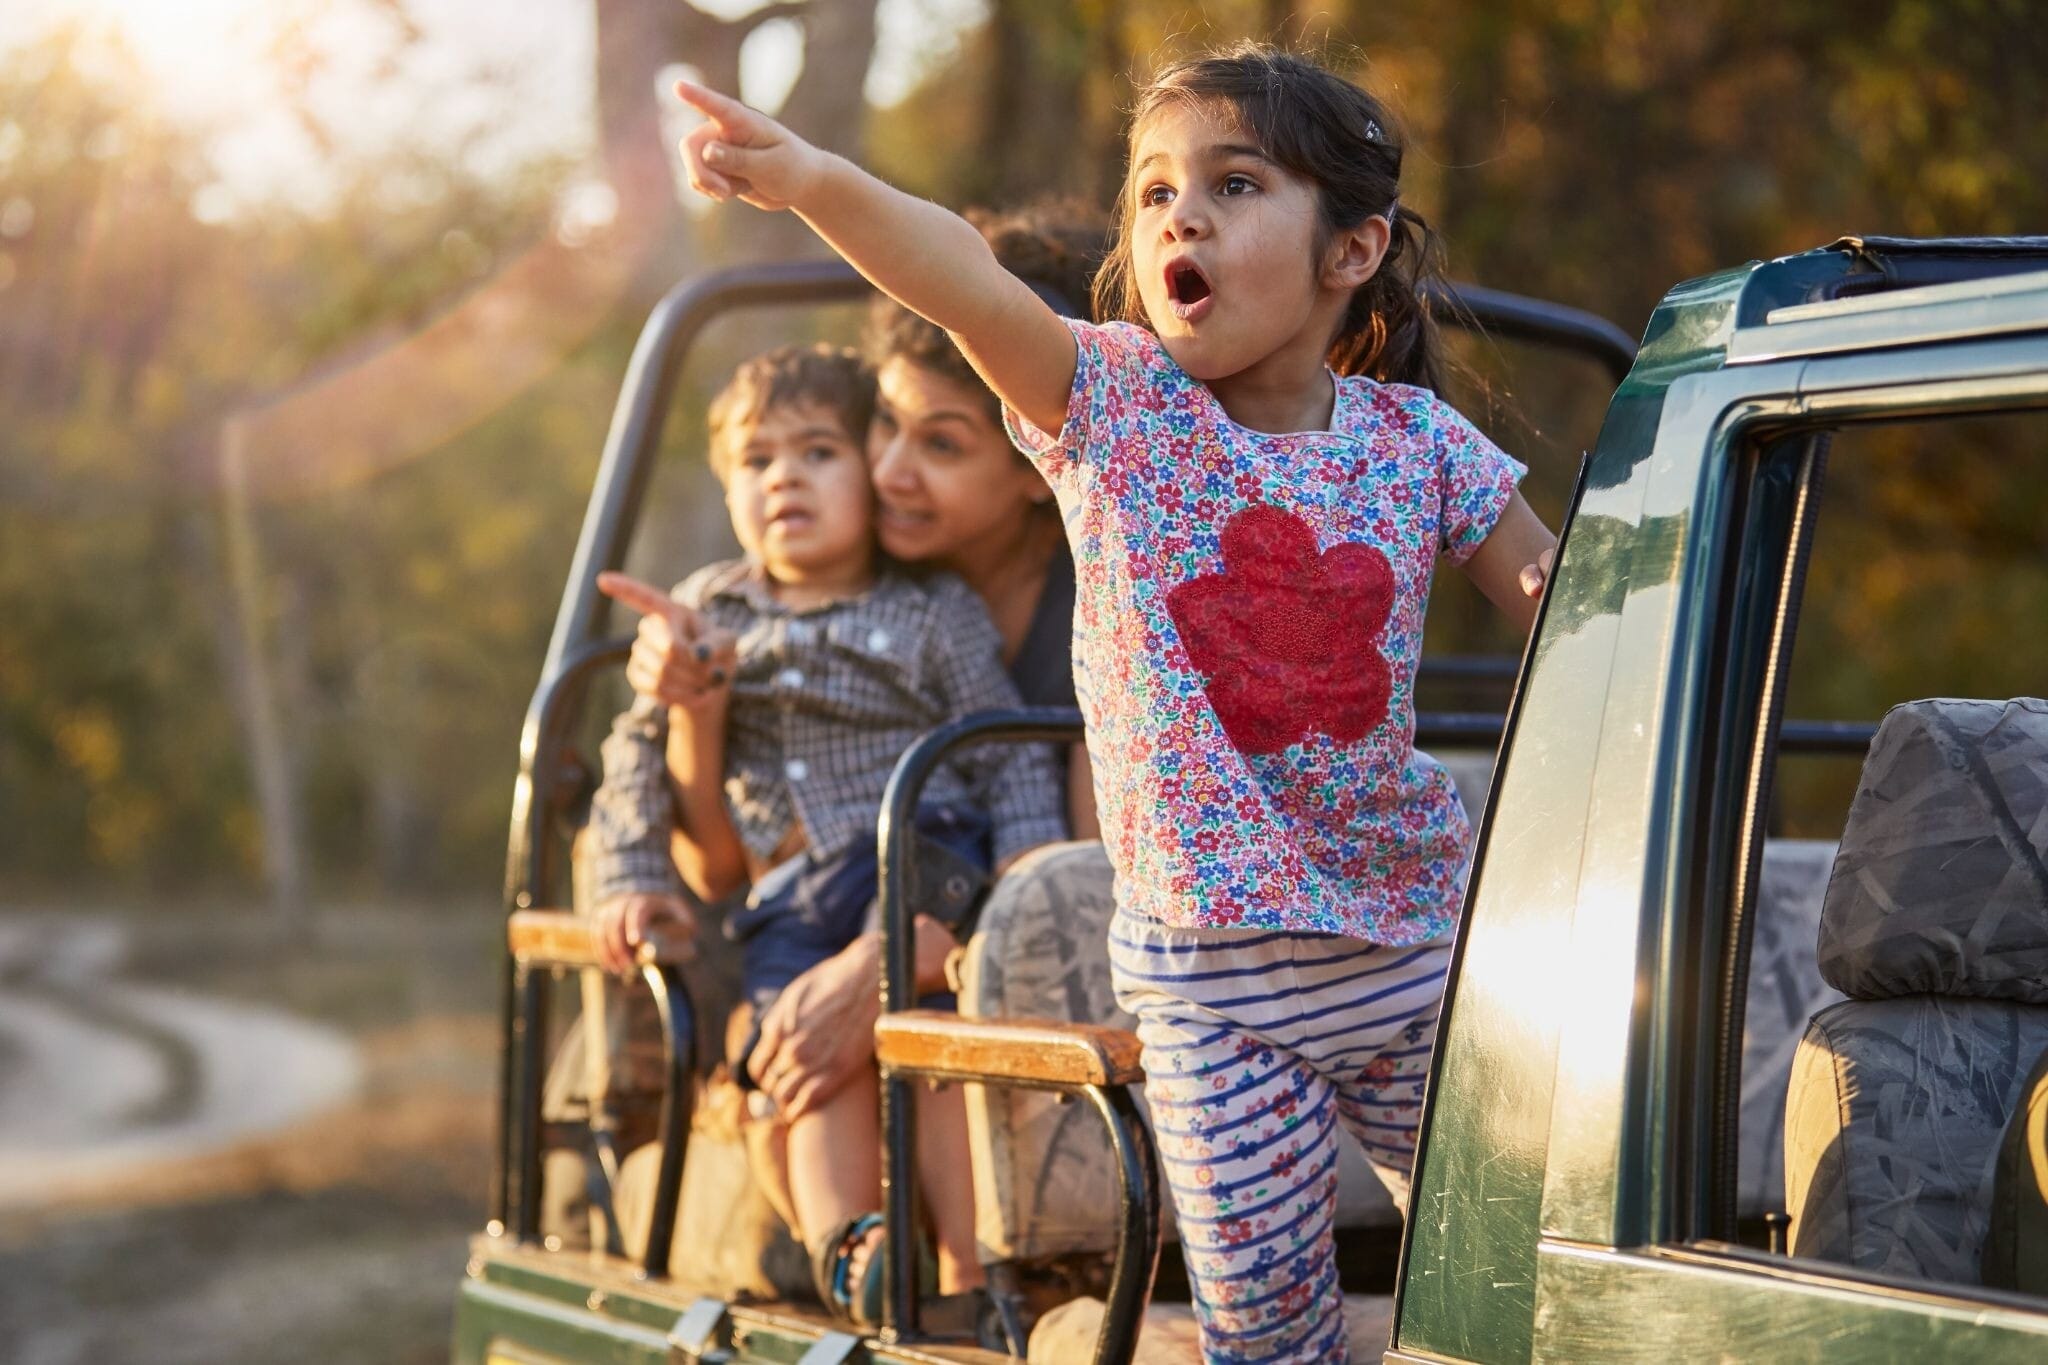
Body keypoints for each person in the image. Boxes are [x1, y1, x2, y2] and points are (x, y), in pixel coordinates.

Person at [669, 40, 1558, 1362]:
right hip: (1213, 982)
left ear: (1352, 251)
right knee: (1269, 1338)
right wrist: (813, 182)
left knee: (1511, 1304)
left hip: (1410, 947)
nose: (1179, 214)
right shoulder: (1117, 408)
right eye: (1153, 192)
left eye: (1235, 183)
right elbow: (957, 279)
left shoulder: (1419, 445)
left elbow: (1570, 606)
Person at [584, 343, 1066, 1324]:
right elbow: (631, 758)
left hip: (917, 854)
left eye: (816, 453)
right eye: (756, 462)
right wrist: (630, 876)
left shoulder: (931, 611)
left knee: (928, 1049)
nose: (784, 480)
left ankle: (979, 1280)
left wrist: (1023, 866)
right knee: (806, 1059)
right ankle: (858, 1248)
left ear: (867, 477)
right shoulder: (709, 613)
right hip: (789, 898)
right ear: (726, 489)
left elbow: (1003, 746)